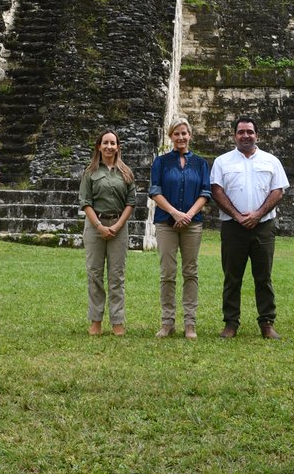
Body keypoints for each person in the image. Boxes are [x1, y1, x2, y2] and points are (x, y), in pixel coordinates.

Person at [209, 116, 289, 340]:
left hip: (263, 227)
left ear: (257, 135)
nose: (246, 136)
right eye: (241, 132)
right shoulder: (222, 162)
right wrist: (237, 215)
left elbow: (278, 191)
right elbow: (216, 191)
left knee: (263, 276)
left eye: (250, 132)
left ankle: (267, 323)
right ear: (234, 136)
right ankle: (231, 323)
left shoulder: (271, 161)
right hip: (232, 227)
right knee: (232, 277)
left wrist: (257, 214)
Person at [149, 117, 211, 339]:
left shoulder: (201, 164)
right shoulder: (161, 162)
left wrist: (188, 215)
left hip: (192, 224)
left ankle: (190, 324)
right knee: (167, 273)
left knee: (190, 272)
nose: (181, 137)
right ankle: (167, 322)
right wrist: (175, 213)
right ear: (170, 137)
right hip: (166, 223)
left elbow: (205, 192)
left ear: (190, 135)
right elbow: (155, 191)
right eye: (176, 133)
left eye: (184, 133)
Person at [79, 128, 136, 336]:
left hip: (118, 227)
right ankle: (95, 321)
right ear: (99, 146)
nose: (109, 146)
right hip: (95, 227)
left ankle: (117, 321)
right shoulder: (90, 172)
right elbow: (85, 202)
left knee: (116, 276)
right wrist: (99, 226)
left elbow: (131, 202)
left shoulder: (126, 173)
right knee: (94, 274)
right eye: (105, 143)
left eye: (113, 143)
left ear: (118, 147)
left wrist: (116, 226)